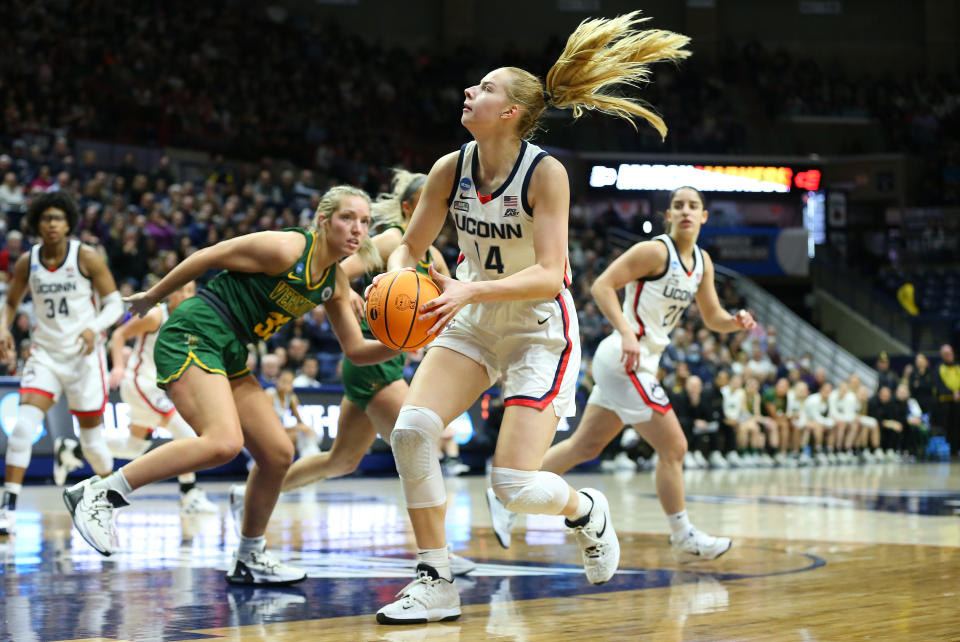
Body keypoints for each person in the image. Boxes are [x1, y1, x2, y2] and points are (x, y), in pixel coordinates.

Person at [374, 11, 692, 624]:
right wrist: (398, 278)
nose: (470, 92)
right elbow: (407, 243)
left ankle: (585, 510)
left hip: (539, 328)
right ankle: (436, 579)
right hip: (472, 317)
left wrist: (468, 293)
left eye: (485, 87)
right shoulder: (450, 167)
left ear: (511, 111)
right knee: (412, 430)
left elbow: (551, 272)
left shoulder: (545, 173)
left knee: (512, 486)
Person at [63, 185, 397, 587]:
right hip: (195, 331)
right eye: (348, 218)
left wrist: (407, 342)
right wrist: (153, 296)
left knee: (277, 454)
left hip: (231, 351)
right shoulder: (286, 248)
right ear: (324, 221)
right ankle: (100, 493)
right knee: (222, 442)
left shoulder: (334, 283)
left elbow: (357, 351)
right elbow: (208, 256)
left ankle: (249, 556)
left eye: (364, 221)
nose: (358, 229)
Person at [228, 169, 476, 576]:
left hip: (390, 359)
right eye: (438, 202)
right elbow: (339, 270)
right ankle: (437, 554)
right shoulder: (394, 238)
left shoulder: (435, 255)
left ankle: (247, 493)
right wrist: (355, 293)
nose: (444, 211)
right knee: (420, 446)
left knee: (342, 460)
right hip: (370, 360)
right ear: (412, 207)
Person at [498, 184, 753, 559]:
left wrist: (736, 322)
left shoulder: (702, 263)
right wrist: (626, 331)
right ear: (668, 215)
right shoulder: (653, 251)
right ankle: (682, 534)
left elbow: (713, 317)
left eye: (692, 205)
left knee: (585, 447)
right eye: (677, 205)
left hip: (640, 361)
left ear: (704, 216)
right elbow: (602, 285)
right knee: (675, 446)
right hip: (624, 357)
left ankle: (506, 493)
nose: (684, 211)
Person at [0, 192, 123, 536]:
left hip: (84, 357)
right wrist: (2, 328)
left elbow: (115, 304)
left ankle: (107, 503)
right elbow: (11, 302)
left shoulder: (86, 257)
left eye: (57, 218)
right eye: (45, 219)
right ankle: (7, 508)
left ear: (69, 223)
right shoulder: (28, 261)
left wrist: (95, 328)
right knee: (23, 427)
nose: (51, 224)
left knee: (93, 446)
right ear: (37, 224)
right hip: (46, 353)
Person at [106, 280, 217, 514]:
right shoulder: (156, 315)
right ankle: (190, 494)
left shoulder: (190, 320)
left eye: (190, 291)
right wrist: (117, 367)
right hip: (140, 383)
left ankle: (72, 449)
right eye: (181, 290)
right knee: (187, 434)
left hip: (156, 388)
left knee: (134, 447)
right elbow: (118, 335)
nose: (186, 295)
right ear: (171, 293)